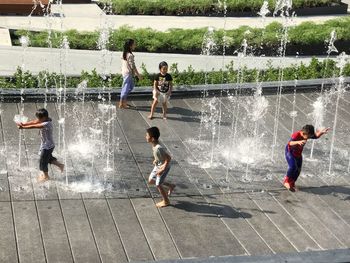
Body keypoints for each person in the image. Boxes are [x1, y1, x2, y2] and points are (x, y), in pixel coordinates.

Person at [17, 108, 64, 182]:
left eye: (39, 118)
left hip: (47, 147)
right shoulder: (46, 119)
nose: (38, 119)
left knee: (42, 162)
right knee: (47, 158)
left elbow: (34, 126)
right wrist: (24, 124)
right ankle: (60, 165)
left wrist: (23, 127)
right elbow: (34, 122)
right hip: (47, 145)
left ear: (44, 117)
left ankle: (46, 176)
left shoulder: (46, 124)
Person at [284, 124, 330, 191]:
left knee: (298, 170)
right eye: (308, 137)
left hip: (298, 154)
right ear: (303, 133)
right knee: (293, 167)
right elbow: (290, 143)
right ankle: (286, 181)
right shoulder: (296, 135)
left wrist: (321, 132)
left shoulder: (307, 134)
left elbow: (316, 136)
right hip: (290, 153)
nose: (308, 138)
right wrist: (298, 142)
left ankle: (292, 183)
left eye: (309, 137)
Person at [146, 126, 176, 207]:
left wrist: (162, 169)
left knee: (158, 184)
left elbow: (168, 158)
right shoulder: (154, 145)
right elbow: (160, 156)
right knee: (151, 180)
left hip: (164, 167)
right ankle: (170, 186)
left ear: (152, 139)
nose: (145, 137)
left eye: (147, 136)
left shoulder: (159, 148)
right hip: (159, 165)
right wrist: (156, 160)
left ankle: (166, 201)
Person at [119, 38, 142, 109]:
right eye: (134, 44)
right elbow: (133, 66)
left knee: (130, 87)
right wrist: (138, 75)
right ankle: (122, 103)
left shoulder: (124, 54)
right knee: (126, 88)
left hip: (125, 73)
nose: (135, 45)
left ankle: (123, 102)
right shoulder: (130, 55)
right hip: (128, 74)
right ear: (130, 46)